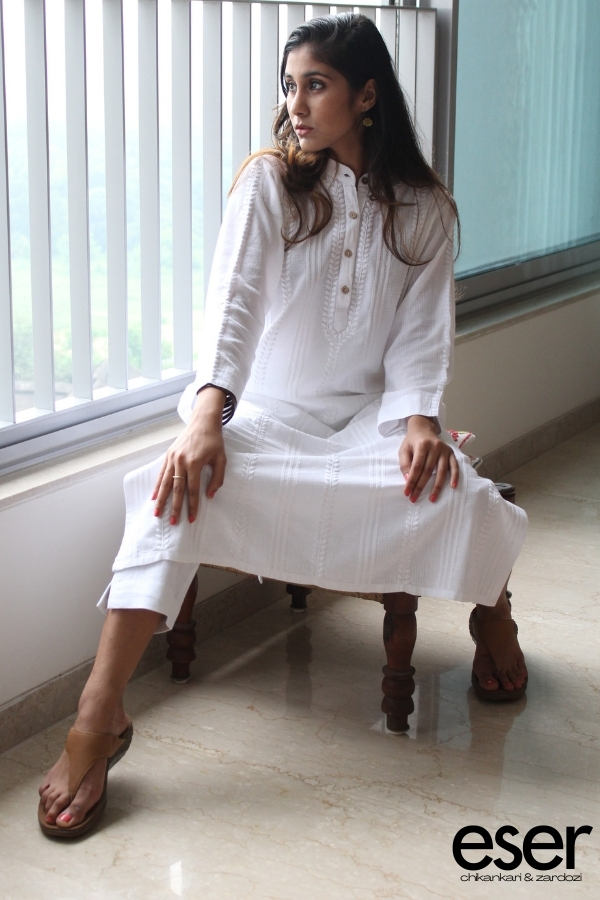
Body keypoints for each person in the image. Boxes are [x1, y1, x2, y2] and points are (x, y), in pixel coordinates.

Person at [38, 13, 528, 839]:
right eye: (289, 85)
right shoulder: (269, 183)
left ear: (365, 95)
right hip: (268, 414)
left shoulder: (426, 208)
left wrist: (419, 420)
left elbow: (422, 335)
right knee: (172, 491)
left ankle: (494, 615)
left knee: (456, 492)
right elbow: (232, 307)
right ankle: (99, 713)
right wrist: (208, 417)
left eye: (316, 86)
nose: (295, 104)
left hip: (370, 422)